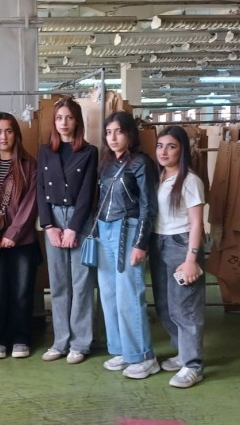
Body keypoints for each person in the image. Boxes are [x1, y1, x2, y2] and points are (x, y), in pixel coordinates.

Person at [94, 112, 159, 379]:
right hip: (104, 229)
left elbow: (148, 206)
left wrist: (141, 242)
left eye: (119, 131)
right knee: (109, 295)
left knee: (129, 295)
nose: (113, 138)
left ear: (130, 134)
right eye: (109, 132)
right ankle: (122, 349)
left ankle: (144, 355)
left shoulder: (141, 163)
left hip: (128, 229)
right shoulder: (107, 162)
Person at [36, 97, 98, 364]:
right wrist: (49, 226)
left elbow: (87, 193)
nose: (64, 123)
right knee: (59, 284)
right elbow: (40, 189)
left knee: (81, 283)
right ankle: (60, 342)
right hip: (53, 217)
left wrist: (73, 228)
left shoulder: (89, 151)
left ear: (77, 121)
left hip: (79, 218)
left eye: (69, 118)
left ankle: (80, 343)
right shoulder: (45, 151)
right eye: (59, 118)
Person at [0, 112, 41, 360]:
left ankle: (21, 337)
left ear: (16, 134)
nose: (3, 137)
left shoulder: (29, 164)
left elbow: (32, 201)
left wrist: (14, 232)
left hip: (22, 240)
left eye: (9, 131)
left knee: (22, 290)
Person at [148, 125, 206, 389]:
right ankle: (182, 353)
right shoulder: (160, 177)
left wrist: (191, 259)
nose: (163, 152)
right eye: (160, 146)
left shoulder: (190, 181)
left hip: (180, 244)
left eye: (171, 146)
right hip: (158, 243)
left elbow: (197, 223)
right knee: (165, 305)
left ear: (182, 150)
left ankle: (193, 365)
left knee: (185, 307)